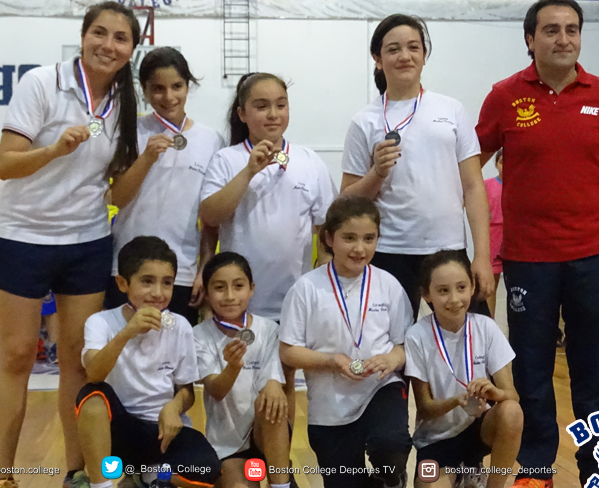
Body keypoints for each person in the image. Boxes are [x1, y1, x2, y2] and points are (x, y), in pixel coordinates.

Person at [475, 0, 599, 488]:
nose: (563, 39)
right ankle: (537, 470)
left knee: (592, 366)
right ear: (530, 39)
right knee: (530, 369)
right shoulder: (504, 97)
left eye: (572, 29)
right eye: (551, 30)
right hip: (528, 259)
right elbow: (469, 168)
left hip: (594, 258)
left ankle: (597, 470)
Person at [0, 1, 141, 488]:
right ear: (82, 36)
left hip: (87, 240)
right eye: (99, 33)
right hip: (22, 237)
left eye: (120, 38)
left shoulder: (126, 100)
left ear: (131, 49)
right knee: (17, 356)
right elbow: (6, 164)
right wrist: (53, 150)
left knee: (77, 360)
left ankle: (76, 476)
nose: (108, 44)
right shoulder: (41, 83)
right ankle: (3, 480)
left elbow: (115, 180)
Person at [340, 14, 494, 316]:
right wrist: (377, 173)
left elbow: (474, 187)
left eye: (413, 47)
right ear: (377, 58)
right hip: (389, 251)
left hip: (448, 247)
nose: (404, 56)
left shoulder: (451, 109)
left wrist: (482, 256)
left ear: (424, 55)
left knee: (469, 342)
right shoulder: (364, 121)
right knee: (389, 349)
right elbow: (347, 200)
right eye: (393, 49)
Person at [279, 195, 413, 488]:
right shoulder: (306, 289)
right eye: (349, 238)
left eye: (369, 238)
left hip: (379, 388)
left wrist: (390, 359)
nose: (359, 248)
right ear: (328, 239)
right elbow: (288, 351)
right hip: (329, 405)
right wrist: (331, 361)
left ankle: (389, 487)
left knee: (391, 440)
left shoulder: (389, 286)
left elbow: (405, 345)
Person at [77, 236, 220, 488]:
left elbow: (187, 391)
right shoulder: (101, 322)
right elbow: (94, 372)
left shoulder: (179, 325)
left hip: (160, 432)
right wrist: (127, 333)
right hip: (119, 431)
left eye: (167, 283)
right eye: (147, 282)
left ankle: (149, 479)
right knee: (91, 397)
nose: (158, 293)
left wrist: (174, 406)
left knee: (206, 470)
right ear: (123, 283)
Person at [199, 72, 337, 324]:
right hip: (239, 303)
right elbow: (210, 216)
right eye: (262, 106)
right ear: (242, 114)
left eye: (281, 105)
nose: (273, 114)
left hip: (295, 303)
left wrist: (322, 278)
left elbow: (329, 227)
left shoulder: (309, 161)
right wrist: (249, 171)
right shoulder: (227, 159)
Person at [194, 252, 311, 488]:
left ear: (252, 288)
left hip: (265, 434)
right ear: (207, 293)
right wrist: (233, 367)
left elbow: (275, 384)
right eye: (219, 287)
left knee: (271, 401)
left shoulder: (269, 329)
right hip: (229, 446)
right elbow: (217, 391)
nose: (230, 295)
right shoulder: (199, 336)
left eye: (238, 286)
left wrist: (274, 382)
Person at [406, 250, 522, 488]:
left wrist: (493, 392)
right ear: (427, 295)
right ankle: (458, 475)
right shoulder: (417, 336)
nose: (454, 299)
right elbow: (424, 408)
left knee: (511, 412)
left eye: (461, 288)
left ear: (472, 288)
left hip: (478, 430)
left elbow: (512, 396)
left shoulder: (486, 327)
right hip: (437, 440)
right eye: (443, 291)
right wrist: (456, 401)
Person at [107, 47, 222, 325]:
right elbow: (117, 198)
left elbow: (210, 217)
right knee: (122, 356)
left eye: (177, 86)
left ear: (188, 86)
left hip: (180, 271)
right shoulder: (129, 131)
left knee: (175, 359)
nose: (169, 97)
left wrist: (204, 267)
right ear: (144, 90)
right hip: (126, 267)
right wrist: (145, 159)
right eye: (157, 88)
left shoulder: (212, 139)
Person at [484, 151, 504, 317]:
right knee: (491, 284)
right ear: (496, 164)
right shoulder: (487, 185)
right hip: (493, 237)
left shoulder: (522, 186)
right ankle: (489, 323)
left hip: (514, 236)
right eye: (502, 162)